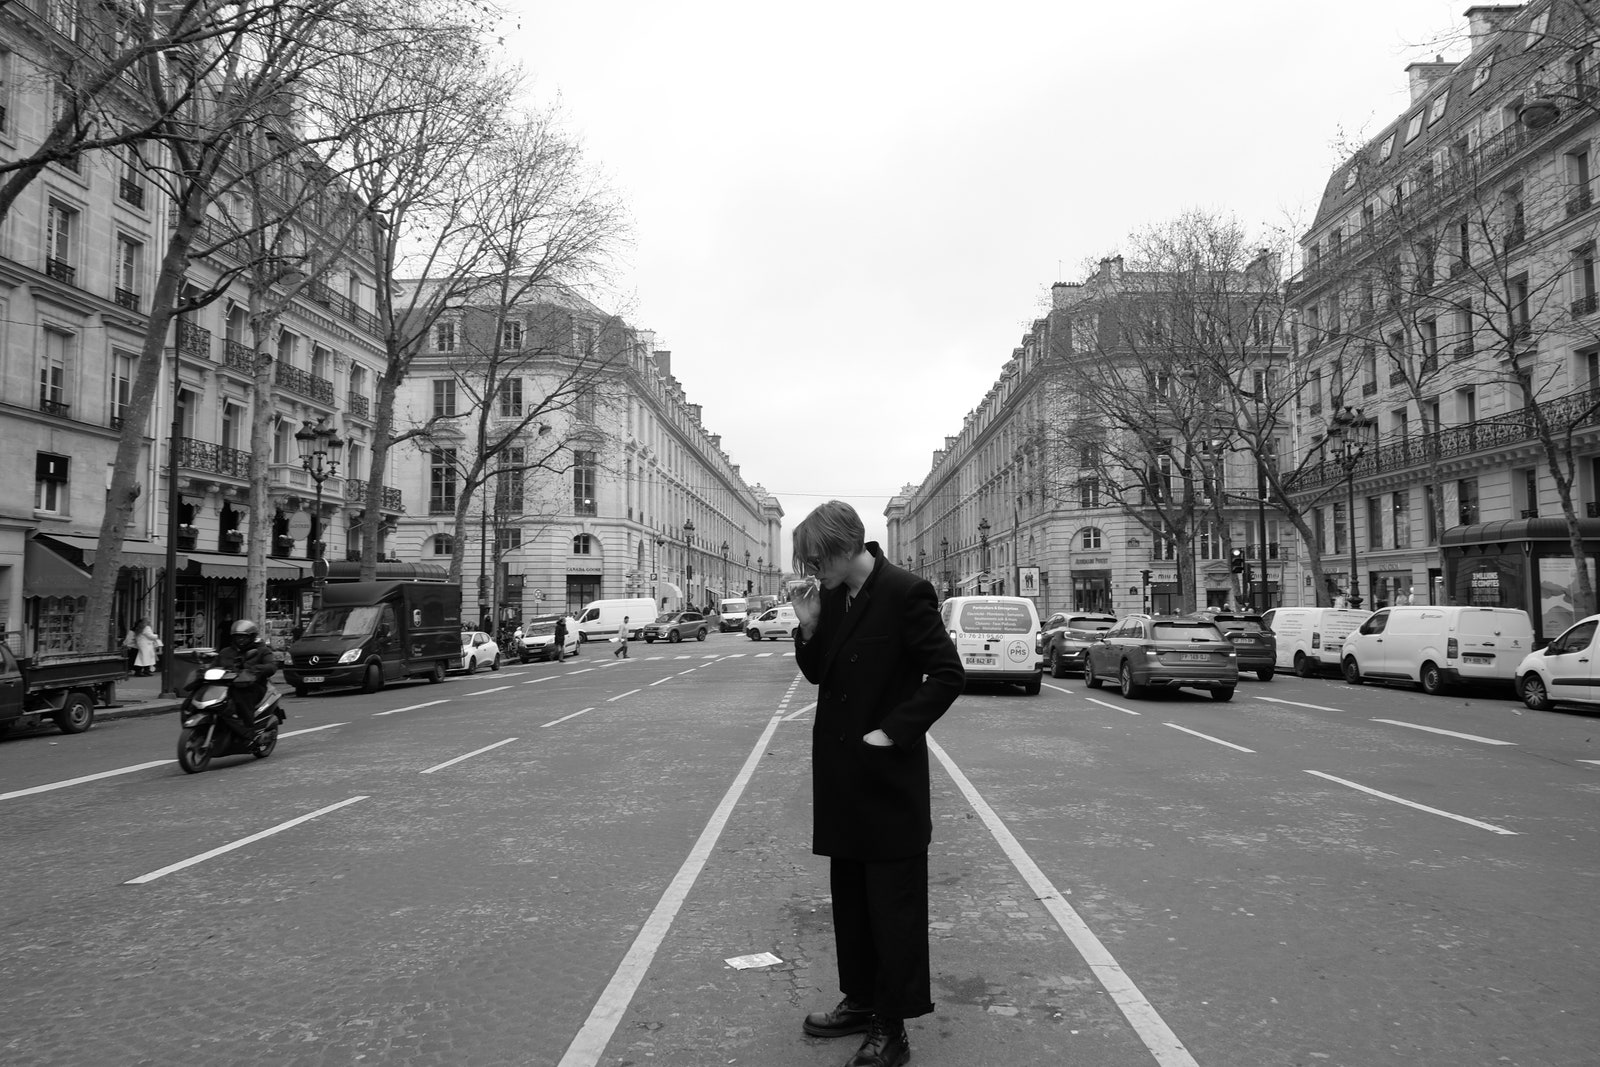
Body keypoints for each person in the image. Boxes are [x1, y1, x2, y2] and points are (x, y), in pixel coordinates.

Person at [790, 501, 964, 1067]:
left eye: (816, 560)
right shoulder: (836, 598)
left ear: (843, 548)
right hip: (843, 780)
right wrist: (809, 624)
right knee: (853, 903)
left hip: (887, 779)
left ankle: (893, 1028)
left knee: (894, 908)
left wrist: (894, 732)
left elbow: (946, 673)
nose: (812, 571)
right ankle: (862, 1001)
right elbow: (820, 672)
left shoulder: (906, 592)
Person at [208, 620, 279, 732]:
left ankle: (247, 730)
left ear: (251, 637)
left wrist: (254, 670)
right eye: (237, 637)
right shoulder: (225, 652)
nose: (240, 640)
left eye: (243, 637)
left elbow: (272, 666)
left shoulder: (262, 651)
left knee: (241, 698)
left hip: (252, 685)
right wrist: (205, 672)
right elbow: (214, 666)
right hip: (225, 685)